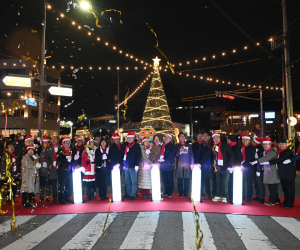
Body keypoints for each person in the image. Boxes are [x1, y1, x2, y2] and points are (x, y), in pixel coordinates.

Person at [250, 137, 280, 206]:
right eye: (264, 144)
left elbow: (266, 158)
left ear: (270, 145)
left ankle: (272, 201)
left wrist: (257, 161)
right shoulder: (266, 151)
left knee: (273, 187)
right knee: (272, 186)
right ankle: (276, 200)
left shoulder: (272, 152)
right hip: (268, 172)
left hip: (273, 172)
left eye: (266, 144)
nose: (264, 146)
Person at [211, 133, 232, 203]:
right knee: (218, 181)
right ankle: (218, 195)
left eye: (217, 137)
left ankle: (225, 196)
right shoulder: (213, 146)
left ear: (219, 138)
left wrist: (230, 166)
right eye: (214, 138)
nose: (215, 139)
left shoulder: (225, 145)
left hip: (225, 167)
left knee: (225, 182)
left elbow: (230, 156)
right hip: (217, 167)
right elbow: (209, 154)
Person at [196, 132, 216, 200]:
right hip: (205, 164)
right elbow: (199, 155)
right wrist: (198, 163)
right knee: (206, 180)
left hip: (214, 164)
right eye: (203, 136)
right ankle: (208, 193)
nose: (205, 137)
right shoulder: (201, 145)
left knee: (215, 180)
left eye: (206, 136)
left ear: (209, 137)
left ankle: (214, 193)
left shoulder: (213, 144)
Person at [122, 132, 142, 200]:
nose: (129, 139)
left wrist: (137, 164)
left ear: (134, 138)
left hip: (133, 166)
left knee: (134, 181)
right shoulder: (125, 145)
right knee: (127, 181)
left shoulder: (136, 146)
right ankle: (128, 193)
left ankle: (133, 194)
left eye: (131, 138)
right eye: (128, 138)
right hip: (126, 166)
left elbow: (139, 156)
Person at [175, 132, 194, 198]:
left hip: (187, 164)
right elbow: (176, 155)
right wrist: (180, 152)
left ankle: (186, 192)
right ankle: (180, 192)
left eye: (183, 136)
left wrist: (192, 163)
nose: (182, 137)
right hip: (179, 164)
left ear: (185, 137)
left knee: (186, 179)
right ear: (179, 138)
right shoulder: (177, 146)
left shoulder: (189, 145)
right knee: (179, 179)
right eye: (181, 136)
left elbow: (191, 155)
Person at [57, 138, 74, 204]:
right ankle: (61, 198)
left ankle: (67, 197)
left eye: (68, 143)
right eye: (66, 143)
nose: (67, 144)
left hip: (70, 171)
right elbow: (60, 160)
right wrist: (66, 159)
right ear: (63, 144)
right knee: (62, 185)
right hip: (63, 172)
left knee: (69, 185)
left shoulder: (71, 151)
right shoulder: (60, 152)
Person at [240, 134, 256, 202]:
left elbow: (251, 158)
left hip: (248, 167)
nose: (245, 141)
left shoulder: (252, 148)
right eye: (243, 140)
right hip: (241, 167)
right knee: (241, 182)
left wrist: (243, 164)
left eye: (246, 140)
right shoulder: (240, 147)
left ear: (249, 141)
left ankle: (249, 197)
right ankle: (242, 196)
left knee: (249, 183)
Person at [227, 135, 243, 201]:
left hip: (235, 168)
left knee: (233, 182)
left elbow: (239, 158)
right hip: (232, 167)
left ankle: (232, 195)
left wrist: (236, 166)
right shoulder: (232, 147)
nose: (226, 140)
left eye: (227, 139)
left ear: (230, 140)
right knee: (231, 181)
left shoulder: (234, 147)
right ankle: (231, 195)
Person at [160, 132, 175, 198]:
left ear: (170, 139)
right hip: (163, 165)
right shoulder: (163, 145)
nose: (165, 138)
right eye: (165, 137)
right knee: (164, 179)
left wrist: (164, 159)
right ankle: (166, 191)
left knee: (170, 179)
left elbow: (171, 154)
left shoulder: (172, 146)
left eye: (167, 137)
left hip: (169, 164)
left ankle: (170, 192)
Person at [46, 136, 60, 203]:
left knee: (60, 184)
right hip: (52, 169)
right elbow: (47, 158)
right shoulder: (49, 148)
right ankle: (54, 198)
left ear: (58, 140)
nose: (54, 140)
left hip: (60, 168)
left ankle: (61, 197)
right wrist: (50, 164)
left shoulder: (61, 148)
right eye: (52, 139)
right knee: (53, 185)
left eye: (55, 139)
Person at [251, 135, 265, 203]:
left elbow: (260, 160)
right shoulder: (255, 149)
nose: (252, 142)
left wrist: (258, 169)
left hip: (258, 168)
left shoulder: (260, 150)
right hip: (255, 168)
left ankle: (261, 197)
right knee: (256, 182)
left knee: (260, 183)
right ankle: (258, 195)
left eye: (253, 141)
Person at [38, 136, 52, 203]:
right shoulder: (41, 152)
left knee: (48, 184)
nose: (46, 144)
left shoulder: (51, 151)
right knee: (42, 185)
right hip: (42, 170)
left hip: (48, 170)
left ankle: (48, 196)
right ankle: (41, 197)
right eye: (44, 143)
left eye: (47, 143)